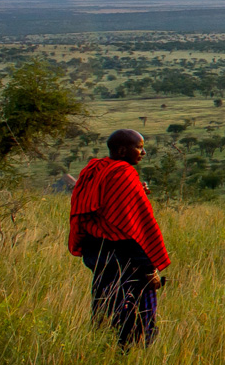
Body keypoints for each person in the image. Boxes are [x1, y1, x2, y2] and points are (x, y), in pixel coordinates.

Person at [68, 129, 170, 347]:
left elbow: (99, 204)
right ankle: (128, 354)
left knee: (104, 304)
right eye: (139, 147)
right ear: (122, 150)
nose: (143, 152)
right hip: (123, 255)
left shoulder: (96, 169)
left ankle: (104, 349)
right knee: (130, 313)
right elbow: (127, 229)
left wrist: (135, 191)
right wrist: (148, 267)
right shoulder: (122, 174)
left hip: (96, 252)